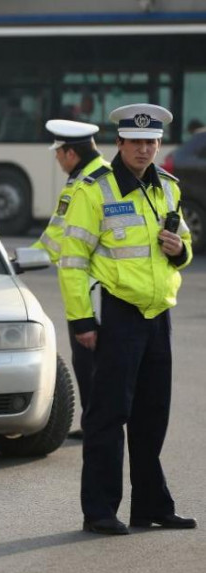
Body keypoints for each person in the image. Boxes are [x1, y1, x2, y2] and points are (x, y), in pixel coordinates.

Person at [58, 103, 197, 536]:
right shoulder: (94, 190)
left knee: (153, 415)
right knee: (108, 416)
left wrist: (180, 250)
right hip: (117, 314)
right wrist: (82, 321)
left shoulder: (168, 187)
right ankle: (99, 511)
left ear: (159, 144)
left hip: (159, 317)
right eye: (135, 142)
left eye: (151, 142)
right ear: (118, 143)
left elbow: (186, 246)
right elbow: (71, 261)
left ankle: (151, 507)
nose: (143, 149)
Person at [32, 119, 109, 439]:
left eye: (58, 153)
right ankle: (95, 422)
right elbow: (56, 236)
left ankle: (100, 425)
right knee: (87, 362)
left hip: (96, 291)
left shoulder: (95, 182)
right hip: (83, 291)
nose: (56, 159)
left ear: (70, 152)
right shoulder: (80, 180)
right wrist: (22, 259)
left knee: (94, 362)